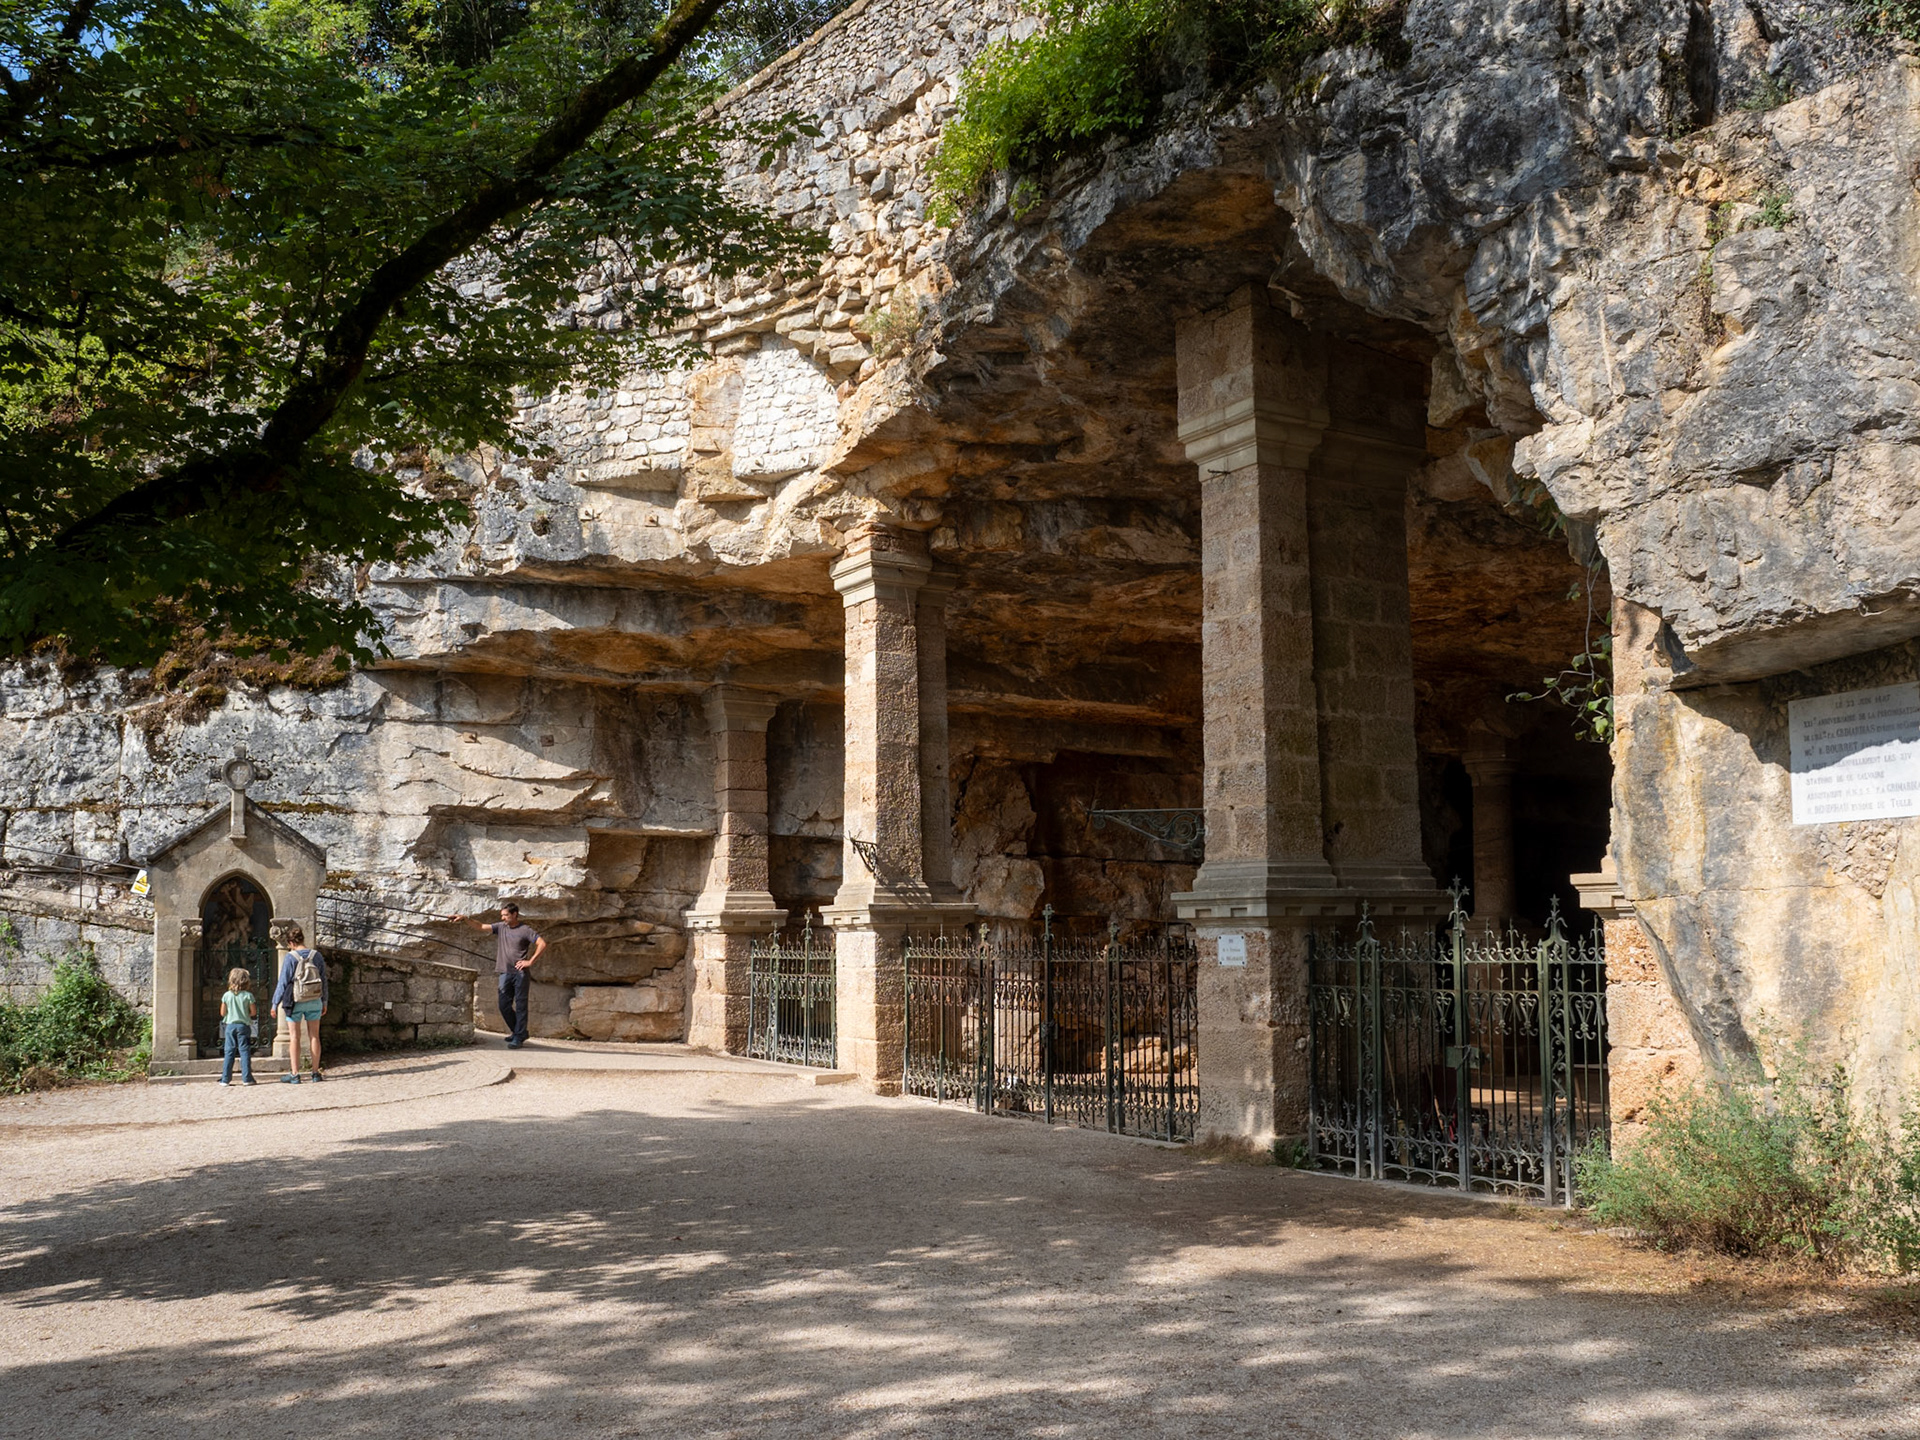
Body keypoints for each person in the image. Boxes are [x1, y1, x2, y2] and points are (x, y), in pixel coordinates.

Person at [447, 902, 546, 1049]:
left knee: (521, 1005)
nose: (503, 918)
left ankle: (518, 1036)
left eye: (506, 915)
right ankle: (519, 1032)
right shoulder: (501, 927)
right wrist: (465, 919)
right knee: (503, 1005)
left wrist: (530, 961)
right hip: (505, 972)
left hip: (520, 973)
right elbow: (481, 926)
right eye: (502, 915)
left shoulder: (525, 930)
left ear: (514, 914)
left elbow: (542, 943)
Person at [272, 925, 329, 1083]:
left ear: (291, 943)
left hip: (296, 1000)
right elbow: (323, 980)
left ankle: (295, 1074)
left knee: (294, 1037)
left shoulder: (290, 957)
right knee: (314, 1036)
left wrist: (275, 1003)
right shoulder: (316, 955)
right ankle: (315, 1073)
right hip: (315, 999)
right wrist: (324, 1001)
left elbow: (283, 982)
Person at [218, 967, 258, 1086]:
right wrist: (245, 1014)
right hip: (243, 1025)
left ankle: (225, 1079)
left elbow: (222, 1013)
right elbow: (253, 1012)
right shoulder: (248, 996)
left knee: (229, 1051)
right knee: (244, 1051)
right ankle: (247, 1078)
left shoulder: (226, 995)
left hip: (230, 1026)